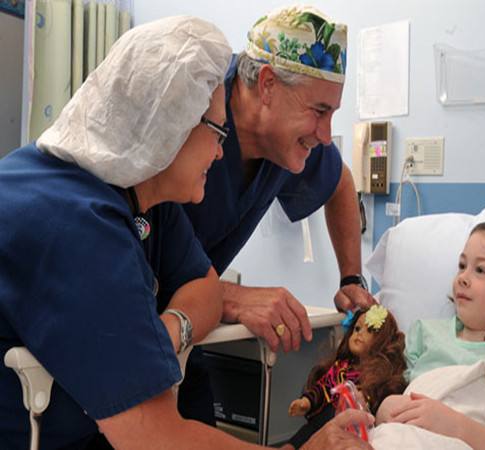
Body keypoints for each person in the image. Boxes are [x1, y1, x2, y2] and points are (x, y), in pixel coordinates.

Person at [0, 16, 373, 450]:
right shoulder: (78, 223)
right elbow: (154, 437)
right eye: (217, 131)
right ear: (169, 126)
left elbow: (206, 287)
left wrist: (169, 332)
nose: (220, 151)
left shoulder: (146, 198)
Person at [180, 4, 376, 423]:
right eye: (319, 111)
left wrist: (351, 279)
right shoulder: (190, 113)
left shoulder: (281, 139)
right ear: (267, 84)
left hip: (184, 335)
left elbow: (339, 182)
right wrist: (230, 298)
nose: (326, 135)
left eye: (332, 114)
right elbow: (134, 256)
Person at [375, 222, 485, 449]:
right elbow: (392, 394)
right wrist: (384, 407)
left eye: (480, 270)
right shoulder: (423, 334)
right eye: (462, 266)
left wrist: (457, 427)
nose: (462, 277)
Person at [286, 305, 406, 449]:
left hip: (351, 427)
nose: (359, 334)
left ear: (383, 340)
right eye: (357, 329)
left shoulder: (381, 375)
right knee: (302, 436)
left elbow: (381, 400)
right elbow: (323, 386)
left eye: (370, 330)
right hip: (322, 420)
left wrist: (365, 400)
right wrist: (307, 402)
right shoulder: (340, 366)